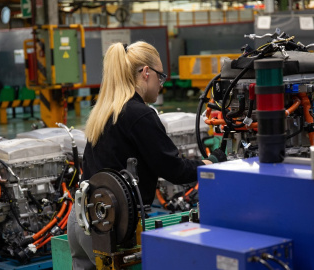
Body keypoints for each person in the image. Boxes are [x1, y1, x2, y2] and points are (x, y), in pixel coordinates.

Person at [67, 41, 227, 270]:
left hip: (81, 218)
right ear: (145, 73)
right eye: (160, 77)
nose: (161, 85)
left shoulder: (104, 110)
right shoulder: (139, 115)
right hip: (109, 227)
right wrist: (212, 163)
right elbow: (173, 169)